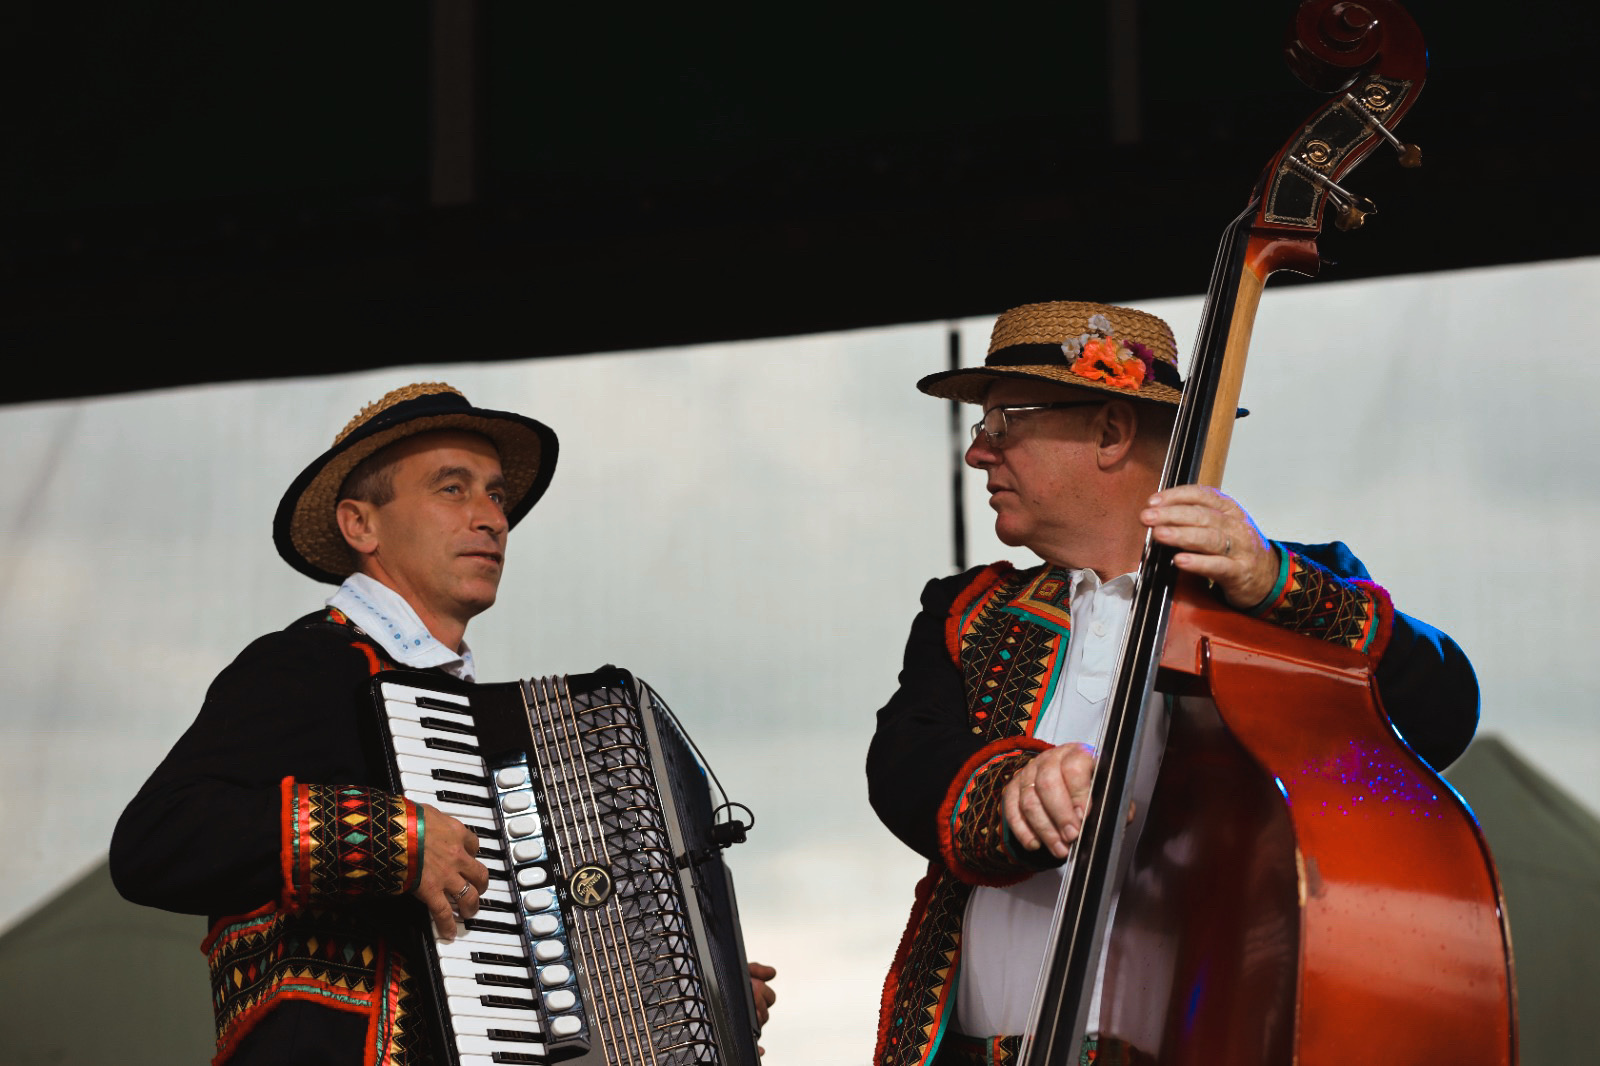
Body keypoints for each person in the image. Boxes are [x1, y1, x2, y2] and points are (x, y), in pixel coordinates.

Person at [865, 302, 1478, 1066]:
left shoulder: (1284, 589)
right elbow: (903, 763)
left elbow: (1441, 714)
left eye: (1003, 421)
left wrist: (1275, 583)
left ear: (1111, 432)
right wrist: (1013, 788)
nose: (977, 452)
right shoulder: (968, 608)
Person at [111, 382, 776, 1064]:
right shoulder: (309, 664)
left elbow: (529, 957)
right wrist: (391, 840)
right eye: (452, 489)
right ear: (360, 526)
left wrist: (701, 994)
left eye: (496, 496)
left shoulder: (473, 721)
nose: (491, 518)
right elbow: (154, 841)